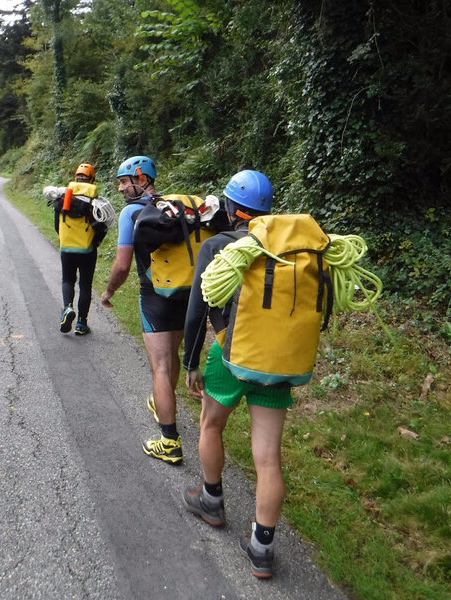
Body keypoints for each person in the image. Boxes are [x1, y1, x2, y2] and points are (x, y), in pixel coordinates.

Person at [180, 169, 286, 578]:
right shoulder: (286, 249)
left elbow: (197, 310)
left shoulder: (219, 246)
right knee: (268, 456)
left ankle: (211, 500)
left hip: (230, 355)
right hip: (276, 362)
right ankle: (262, 547)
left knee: (210, 425)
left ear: (230, 207)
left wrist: (190, 363)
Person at [101, 155, 191, 464]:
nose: (121, 188)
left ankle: (169, 442)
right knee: (172, 357)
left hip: (155, 296)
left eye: (125, 181)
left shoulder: (131, 213)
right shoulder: (172, 207)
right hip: (185, 293)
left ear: (143, 179)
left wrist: (109, 290)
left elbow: (123, 264)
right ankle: (162, 400)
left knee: (160, 367)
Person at [51, 163, 107, 335]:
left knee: (67, 280)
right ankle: (82, 324)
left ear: (76, 177)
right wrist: (95, 242)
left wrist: (65, 238)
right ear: (92, 179)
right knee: (85, 285)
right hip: (87, 249)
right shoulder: (95, 201)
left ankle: (68, 308)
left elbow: (56, 225)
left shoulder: (63, 197)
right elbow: (101, 227)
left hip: (67, 247)